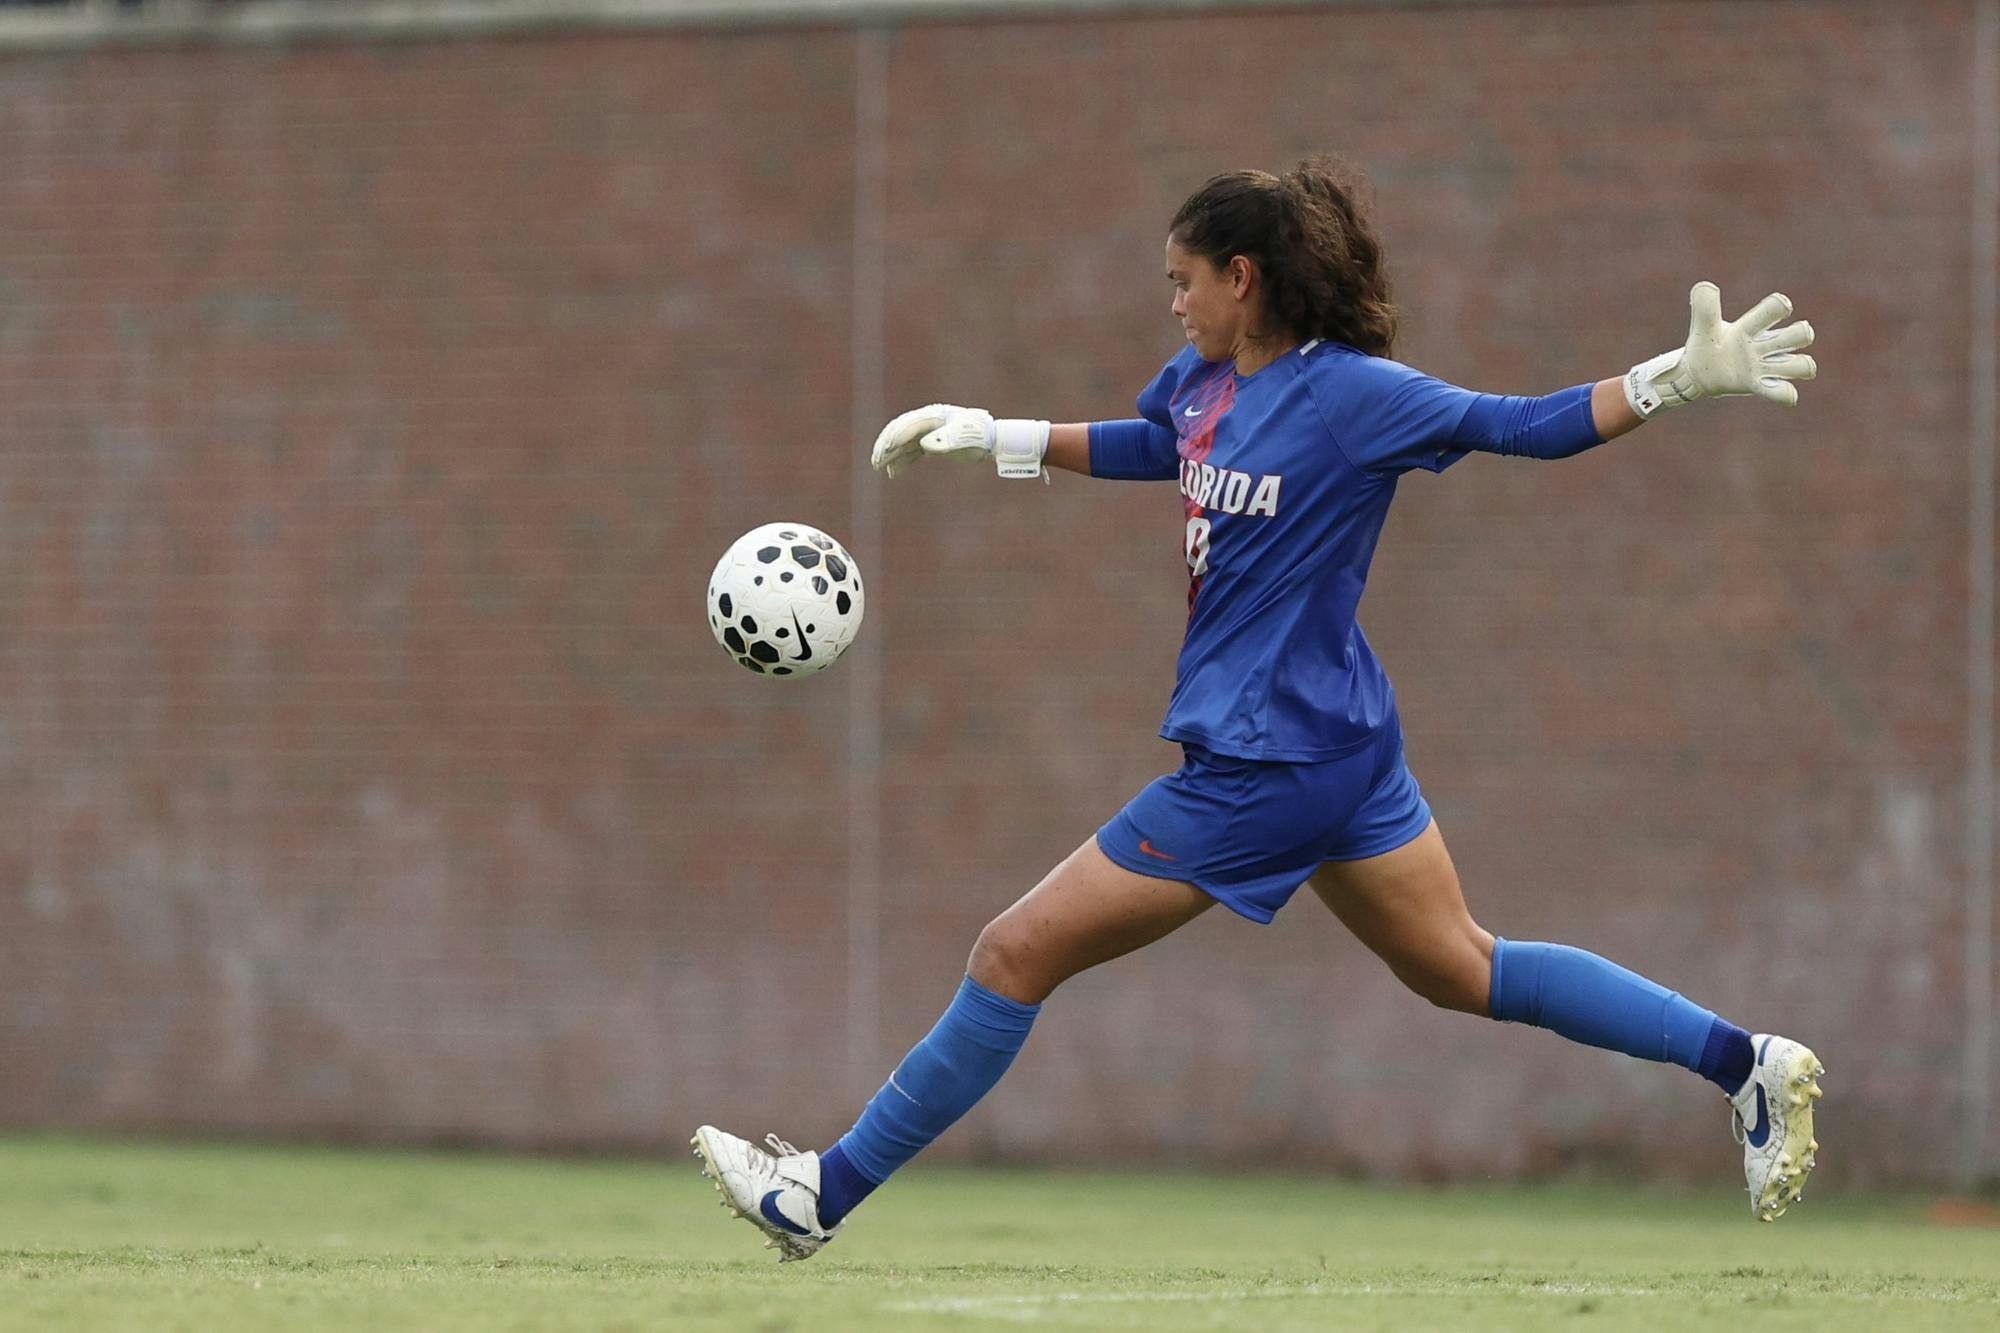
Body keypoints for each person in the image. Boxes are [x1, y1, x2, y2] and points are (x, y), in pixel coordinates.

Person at [692, 156, 1824, 1260]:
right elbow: (1162, 447)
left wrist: (1674, 379)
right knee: (1460, 967)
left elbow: (1519, 423)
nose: (1172, 301)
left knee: (1011, 952)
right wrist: (1000, 436)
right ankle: (1744, 1062)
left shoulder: (1351, 395)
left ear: (1244, 277)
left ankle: (818, 1194)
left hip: (1264, 763)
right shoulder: (1203, 384)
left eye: (1182, 278)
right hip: (1337, 744)